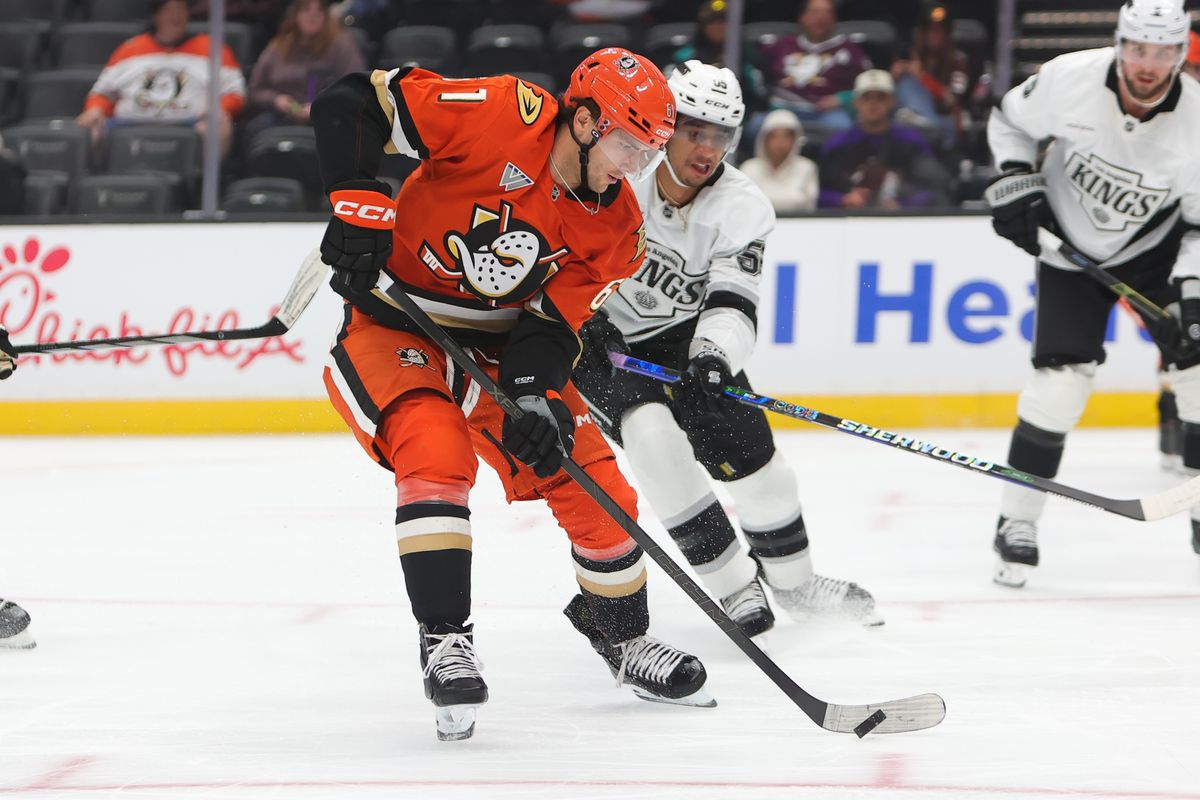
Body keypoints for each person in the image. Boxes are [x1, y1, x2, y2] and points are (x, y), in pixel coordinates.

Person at [310, 47, 712, 741]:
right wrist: (359, 196)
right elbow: (354, 99)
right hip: (393, 322)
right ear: (583, 120)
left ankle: (622, 637)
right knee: (434, 450)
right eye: (625, 145)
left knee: (595, 483)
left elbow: (552, 328)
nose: (633, 168)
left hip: (497, 349)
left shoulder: (616, 227)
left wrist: (531, 397)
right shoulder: (502, 111)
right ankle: (445, 641)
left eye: (647, 154)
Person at [571, 61, 882, 640]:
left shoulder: (743, 205)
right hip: (596, 337)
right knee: (653, 438)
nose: (707, 147)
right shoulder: (620, 171)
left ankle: (794, 583)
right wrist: (578, 317)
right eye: (695, 130)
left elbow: (735, 300)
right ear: (665, 127)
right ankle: (735, 584)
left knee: (759, 465)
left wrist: (712, 355)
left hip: (684, 338)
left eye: (721, 135)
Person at [984, 0, 1200, 587]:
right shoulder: (1069, 77)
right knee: (1059, 385)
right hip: (1067, 246)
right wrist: (1012, 179)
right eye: (1137, 49)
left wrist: (1192, 294)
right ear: (1119, 43)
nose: (1147, 65)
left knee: (1199, 376)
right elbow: (1009, 122)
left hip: (1156, 251)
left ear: (1181, 54)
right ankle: (1016, 521)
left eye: (1162, 52)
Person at [74, 0, 246, 159]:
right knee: (88, 126)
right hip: (128, 125)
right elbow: (102, 93)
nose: (176, 16)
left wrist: (221, 109)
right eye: (169, 10)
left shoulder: (213, 48)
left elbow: (235, 91)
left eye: (181, 9)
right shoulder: (130, 48)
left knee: (219, 124)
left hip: (190, 125)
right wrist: (95, 109)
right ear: (156, 15)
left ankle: (203, 187)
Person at [817, 69, 948, 210]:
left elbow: (932, 188)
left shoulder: (911, 142)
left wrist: (903, 205)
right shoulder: (837, 144)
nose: (873, 104)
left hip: (902, 223)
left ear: (892, 101)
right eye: (866, 97)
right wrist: (842, 199)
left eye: (880, 97)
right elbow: (818, 192)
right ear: (856, 102)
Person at [244, 0, 365, 142]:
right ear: (295, 14)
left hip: (328, 115)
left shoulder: (342, 45)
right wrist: (276, 100)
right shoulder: (278, 45)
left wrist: (323, 105)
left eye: (319, 11)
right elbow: (255, 88)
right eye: (306, 10)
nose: (312, 16)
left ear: (326, 15)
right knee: (256, 129)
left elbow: (356, 87)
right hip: (281, 114)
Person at [758, 0, 872, 131]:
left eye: (827, 13)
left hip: (826, 114)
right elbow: (755, 71)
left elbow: (870, 85)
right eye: (815, 12)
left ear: (835, 19)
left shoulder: (849, 50)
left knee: (844, 127)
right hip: (782, 111)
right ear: (802, 17)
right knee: (756, 125)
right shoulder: (782, 45)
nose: (821, 18)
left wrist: (842, 99)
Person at [890, 2, 973, 148]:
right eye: (931, 30)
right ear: (922, 33)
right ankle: (911, 118)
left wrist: (922, 77)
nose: (935, 35)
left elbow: (951, 100)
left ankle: (918, 119)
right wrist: (893, 77)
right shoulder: (907, 56)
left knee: (910, 81)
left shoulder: (958, 61)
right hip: (903, 122)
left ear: (948, 34)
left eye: (940, 31)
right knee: (904, 82)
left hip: (942, 123)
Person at [669, 0, 768, 116]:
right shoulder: (686, 56)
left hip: (741, 114)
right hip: (693, 112)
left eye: (723, 22)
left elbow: (760, 93)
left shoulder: (748, 54)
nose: (718, 27)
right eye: (712, 22)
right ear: (703, 26)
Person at [738, 107, 819, 214]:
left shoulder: (807, 167)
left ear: (795, 139)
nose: (780, 142)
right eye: (774, 136)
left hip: (798, 227)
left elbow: (810, 209)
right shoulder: (749, 168)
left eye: (786, 136)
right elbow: (743, 206)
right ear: (764, 139)